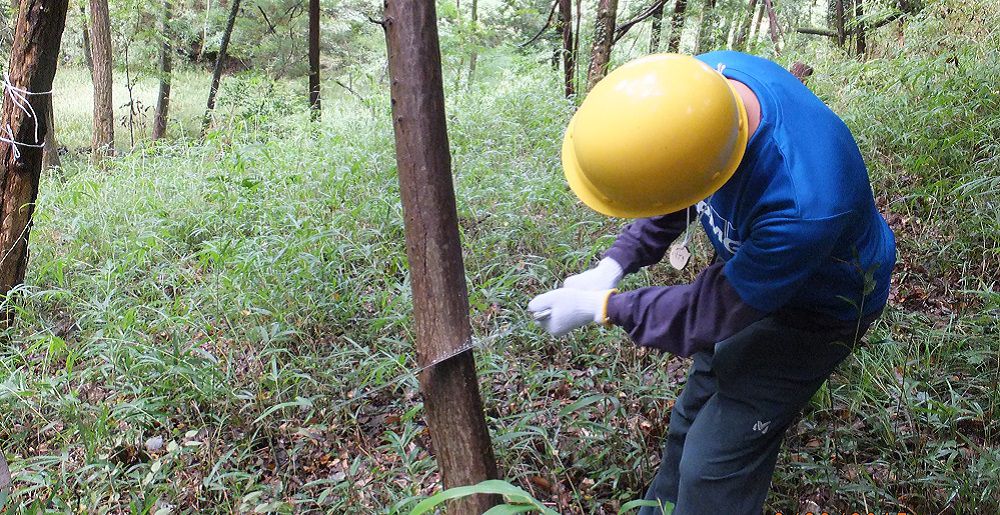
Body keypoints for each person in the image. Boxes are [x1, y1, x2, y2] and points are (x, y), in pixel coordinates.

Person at [527, 52, 896, 514]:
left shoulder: (806, 203)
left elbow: (707, 312)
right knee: (690, 416)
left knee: (713, 462)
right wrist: (614, 264)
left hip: (819, 311)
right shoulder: (697, 89)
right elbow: (674, 183)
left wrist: (604, 306)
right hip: (748, 278)